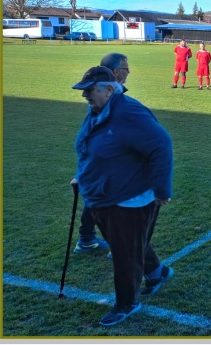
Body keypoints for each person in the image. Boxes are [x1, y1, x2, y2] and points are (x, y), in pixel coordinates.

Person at [71, 66, 173, 326]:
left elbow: (161, 145)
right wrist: (81, 175)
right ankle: (157, 272)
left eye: (89, 90)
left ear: (108, 89)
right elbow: (89, 147)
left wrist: (162, 189)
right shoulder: (98, 111)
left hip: (129, 198)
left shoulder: (129, 113)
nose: (84, 95)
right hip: (102, 196)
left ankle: (127, 302)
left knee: (124, 252)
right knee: (126, 243)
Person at [73, 53, 131, 256]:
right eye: (125, 69)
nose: (128, 72)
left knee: (98, 197)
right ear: (115, 72)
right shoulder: (106, 98)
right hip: (107, 159)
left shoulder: (108, 94)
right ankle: (116, 244)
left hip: (101, 158)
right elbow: (94, 132)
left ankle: (87, 238)